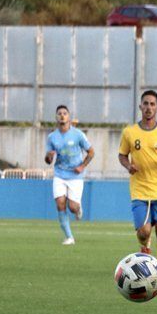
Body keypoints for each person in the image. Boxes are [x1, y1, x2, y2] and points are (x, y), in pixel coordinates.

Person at [118, 90, 157, 274]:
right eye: (145, 103)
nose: (149, 107)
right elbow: (122, 155)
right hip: (139, 190)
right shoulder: (129, 132)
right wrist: (128, 166)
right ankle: (145, 245)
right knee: (144, 232)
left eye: (152, 104)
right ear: (140, 106)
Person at [44, 105, 94, 245]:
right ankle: (69, 237)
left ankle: (78, 210)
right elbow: (48, 160)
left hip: (75, 176)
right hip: (59, 174)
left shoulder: (78, 134)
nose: (62, 115)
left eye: (64, 113)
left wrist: (82, 166)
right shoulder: (52, 137)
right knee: (60, 204)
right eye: (59, 113)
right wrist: (49, 156)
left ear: (69, 117)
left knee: (72, 207)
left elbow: (91, 152)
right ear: (56, 117)